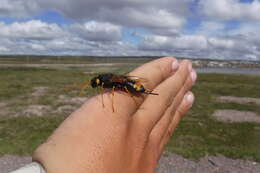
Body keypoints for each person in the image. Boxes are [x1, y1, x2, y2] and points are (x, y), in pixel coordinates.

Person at [11, 57, 197, 173]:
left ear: (99, 82)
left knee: (124, 87)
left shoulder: (107, 82)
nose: (97, 85)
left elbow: (115, 86)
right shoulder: (105, 81)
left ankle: (141, 92)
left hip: (131, 85)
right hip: (130, 84)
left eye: (96, 83)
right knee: (125, 86)